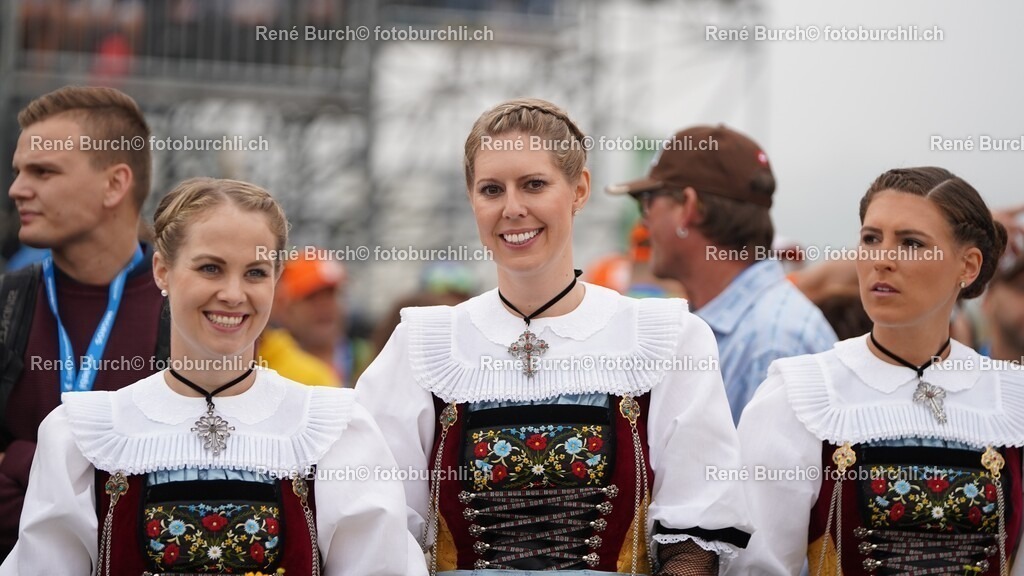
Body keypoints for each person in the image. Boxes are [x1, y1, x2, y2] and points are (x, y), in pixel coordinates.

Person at [358, 98, 751, 575]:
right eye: (491, 189)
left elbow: (696, 535)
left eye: (534, 184)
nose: (513, 208)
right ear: (471, 199)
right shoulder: (425, 344)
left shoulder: (664, 338)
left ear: (579, 189)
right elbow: (378, 527)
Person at [0, 178, 426, 576]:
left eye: (255, 272)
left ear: (276, 279)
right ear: (162, 271)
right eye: (210, 268)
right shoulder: (83, 433)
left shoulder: (335, 429)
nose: (233, 294)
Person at [728, 167, 1024, 575]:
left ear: (968, 266)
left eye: (911, 243)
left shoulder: (1011, 399)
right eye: (871, 239)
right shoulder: (801, 394)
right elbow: (755, 566)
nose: (882, 259)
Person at [0, 85, 166, 561]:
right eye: (18, 172)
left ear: (114, 184)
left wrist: (20, 460)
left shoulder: (187, 312)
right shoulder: (8, 305)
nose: (16, 189)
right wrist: (98, 476)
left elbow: (186, 482)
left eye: (43, 171)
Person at [606, 125, 837, 424]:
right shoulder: (748, 327)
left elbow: (755, 471)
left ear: (688, 208)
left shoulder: (771, 342)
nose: (643, 220)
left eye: (647, 200)